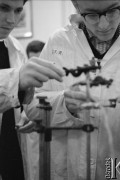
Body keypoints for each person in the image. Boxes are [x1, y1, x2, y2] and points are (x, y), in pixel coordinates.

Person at [25, 0, 120, 179]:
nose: (104, 24)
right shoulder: (58, 43)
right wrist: (63, 103)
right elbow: (32, 106)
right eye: (92, 14)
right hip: (69, 169)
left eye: (112, 11)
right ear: (77, 7)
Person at [0, 0, 65, 179]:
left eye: (18, 10)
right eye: (3, 8)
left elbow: (11, 101)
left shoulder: (15, 49)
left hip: (11, 155)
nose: (11, 19)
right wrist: (16, 79)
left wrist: (27, 115)